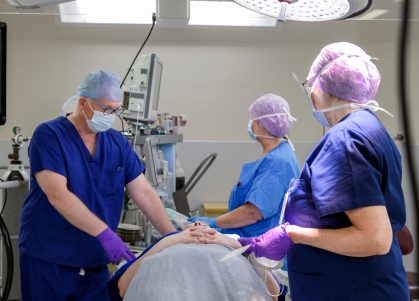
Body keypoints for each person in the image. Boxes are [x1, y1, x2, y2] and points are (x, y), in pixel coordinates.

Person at [237, 42, 409, 300]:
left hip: (351, 289)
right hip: (369, 284)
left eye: (308, 87)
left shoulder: (345, 140)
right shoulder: (370, 128)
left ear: (322, 86)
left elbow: (375, 239)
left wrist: (291, 234)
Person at [19, 70, 176, 301]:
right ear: (83, 102)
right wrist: (105, 234)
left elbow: (142, 191)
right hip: (49, 257)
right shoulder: (49, 135)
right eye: (106, 109)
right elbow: (58, 196)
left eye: (115, 110)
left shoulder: (117, 143)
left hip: (94, 260)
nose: (111, 115)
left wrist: (172, 238)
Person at [189, 94, 300, 237]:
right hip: (249, 240)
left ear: (261, 124)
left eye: (253, 119)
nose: (251, 124)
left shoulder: (277, 162)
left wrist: (213, 223)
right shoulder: (278, 155)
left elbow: (253, 213)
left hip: (258, 250)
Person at [108, 223, 280, 301]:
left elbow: (274, 294)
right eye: (190, 225)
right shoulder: (167, 243)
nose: (198, 225)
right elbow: (123, 287)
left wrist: (240, 246)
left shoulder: (232, 242)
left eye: (203, 225)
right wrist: (169, 240)